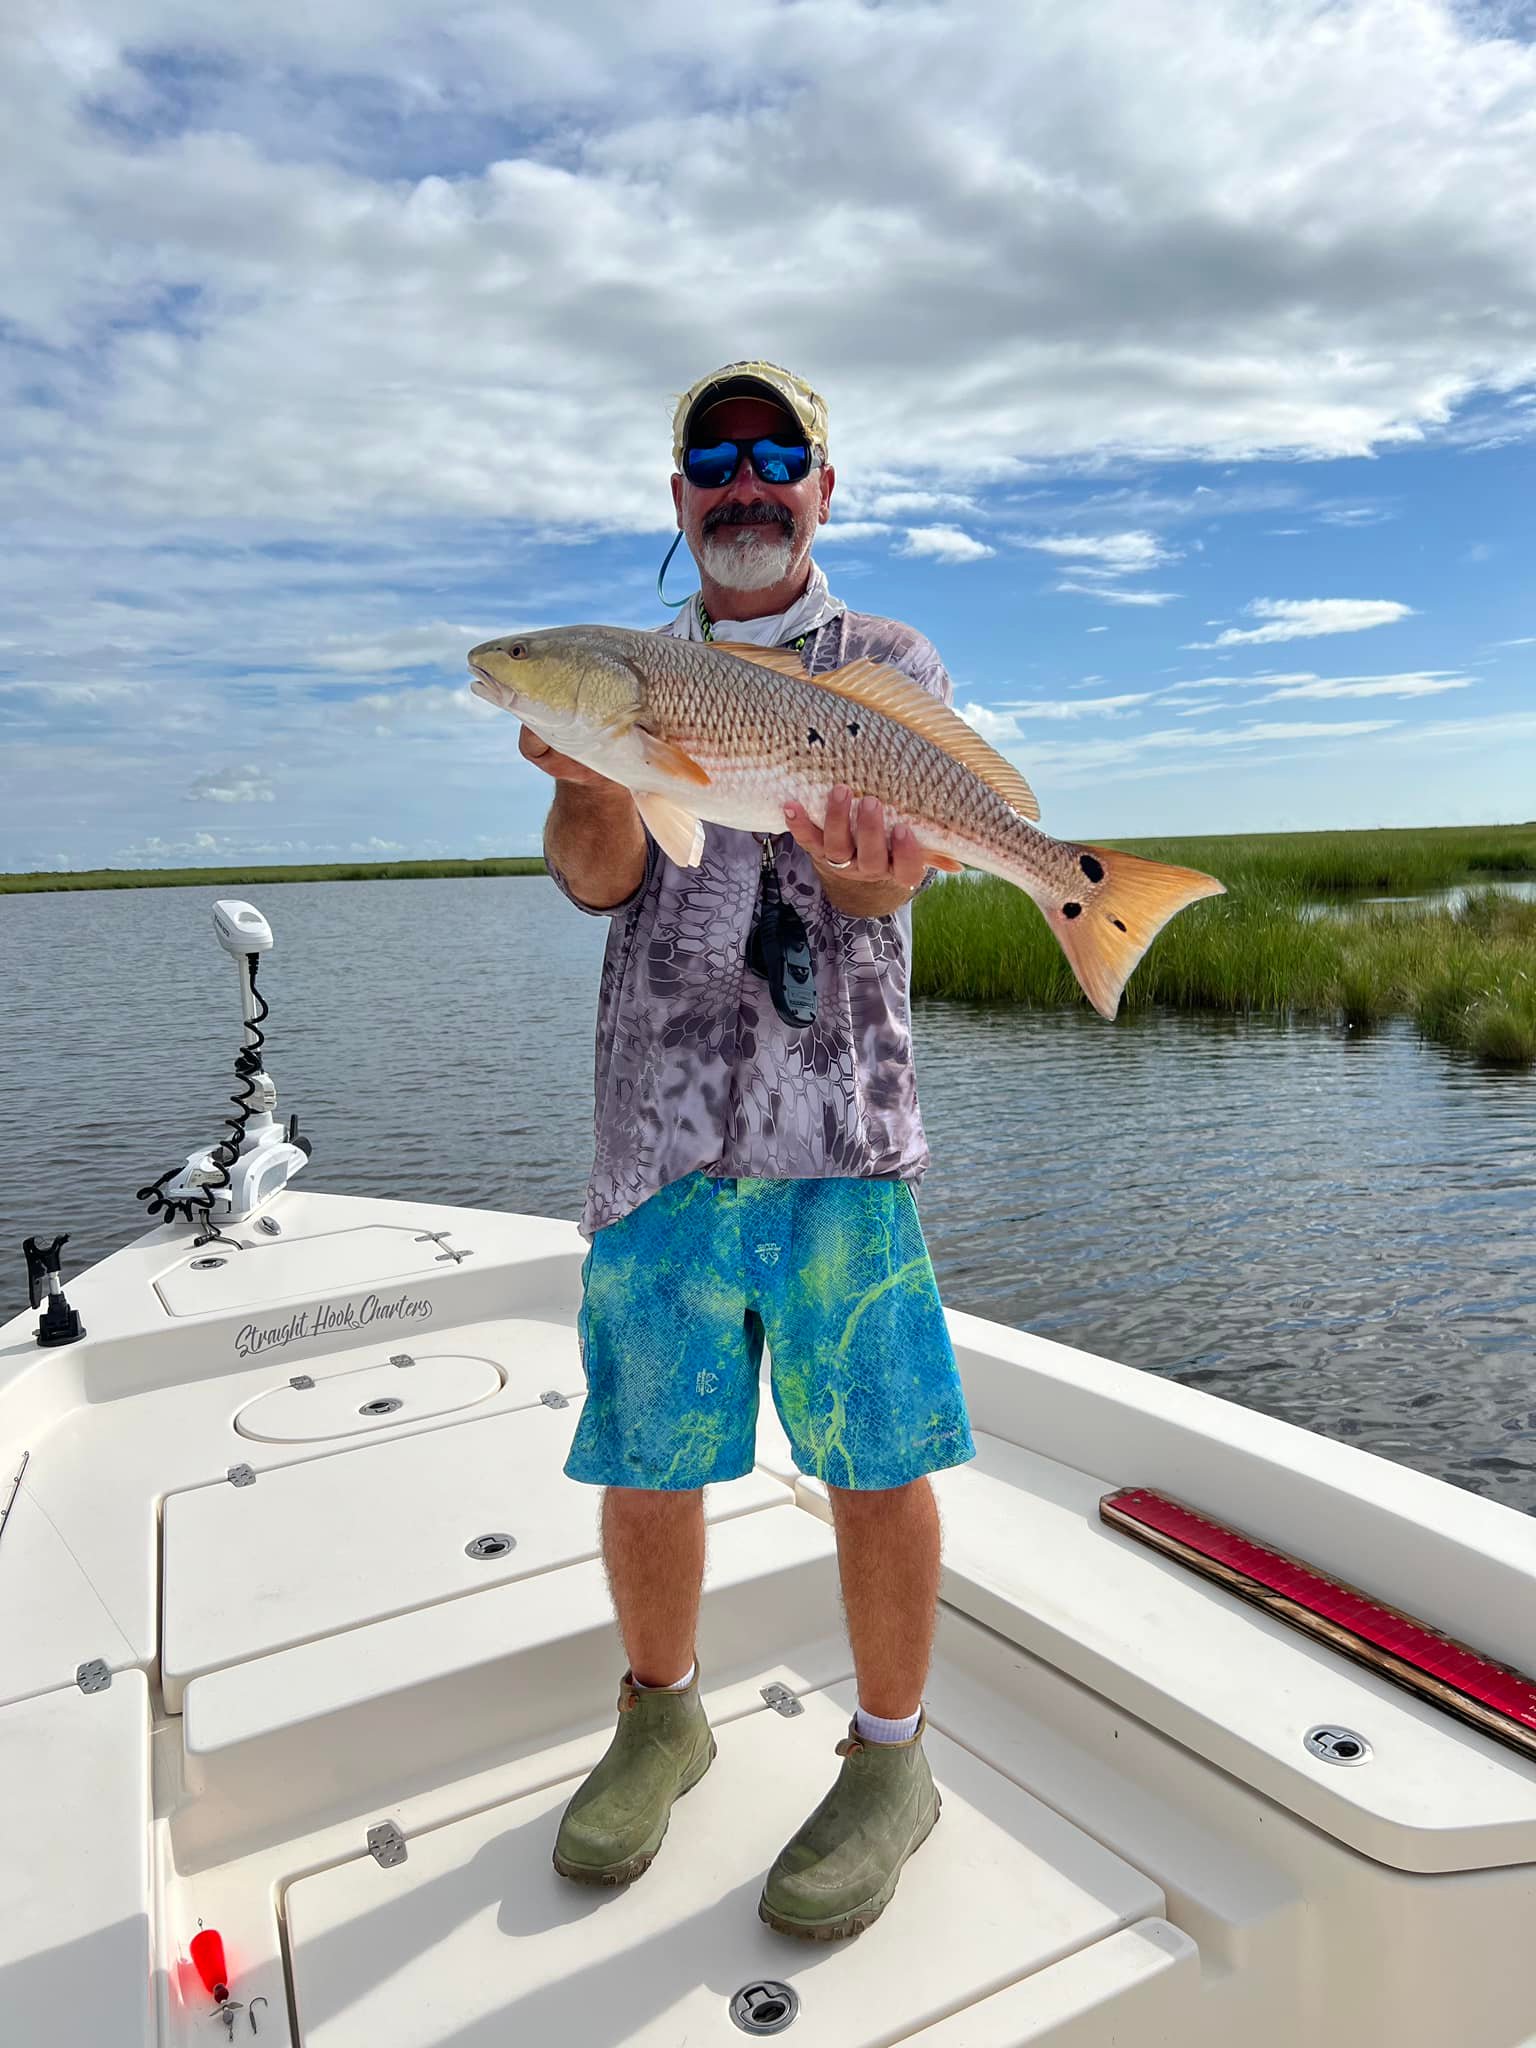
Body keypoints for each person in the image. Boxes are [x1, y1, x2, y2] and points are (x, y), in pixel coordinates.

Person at [525, 360, 978, 1942]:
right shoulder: (619, 676)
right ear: (676, 497)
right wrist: (596, 775)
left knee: (874, 1454)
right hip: (656, 1138)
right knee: (649, 1453)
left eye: (775, 453)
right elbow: (596, 879)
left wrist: (866, 876)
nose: (744, 480)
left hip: (842, 1132)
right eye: (712, 458)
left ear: (822, 487)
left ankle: (894, 1759)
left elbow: (882, 896)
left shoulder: (885, 664)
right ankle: (662, 1716)